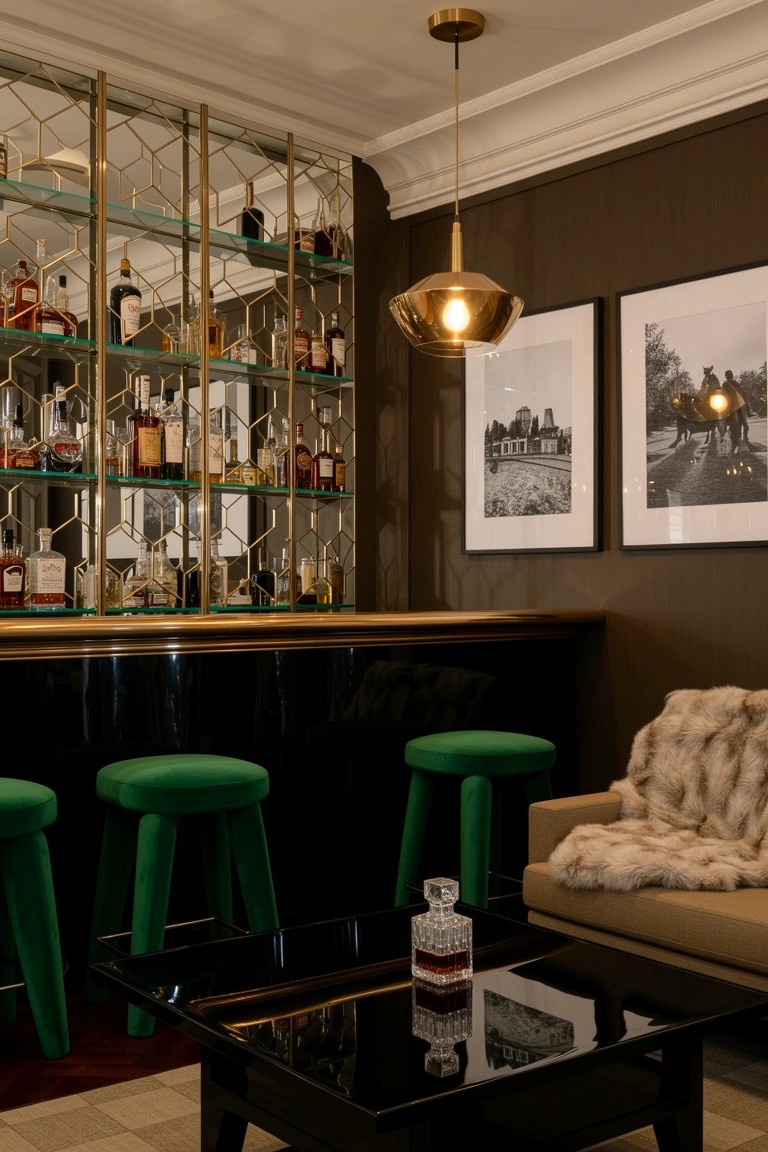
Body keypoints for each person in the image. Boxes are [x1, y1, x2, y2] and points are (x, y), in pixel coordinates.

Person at [721, 369, 751, 452]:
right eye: (728, 376)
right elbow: (724, 397)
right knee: (737, 426)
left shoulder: (733, 384)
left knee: (741, 425)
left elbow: (741, 395)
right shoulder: (727, 385)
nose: (729, 377)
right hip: (734, 408)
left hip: (737, 408)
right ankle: (738, 441)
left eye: (730, 375)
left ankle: (741, 439)